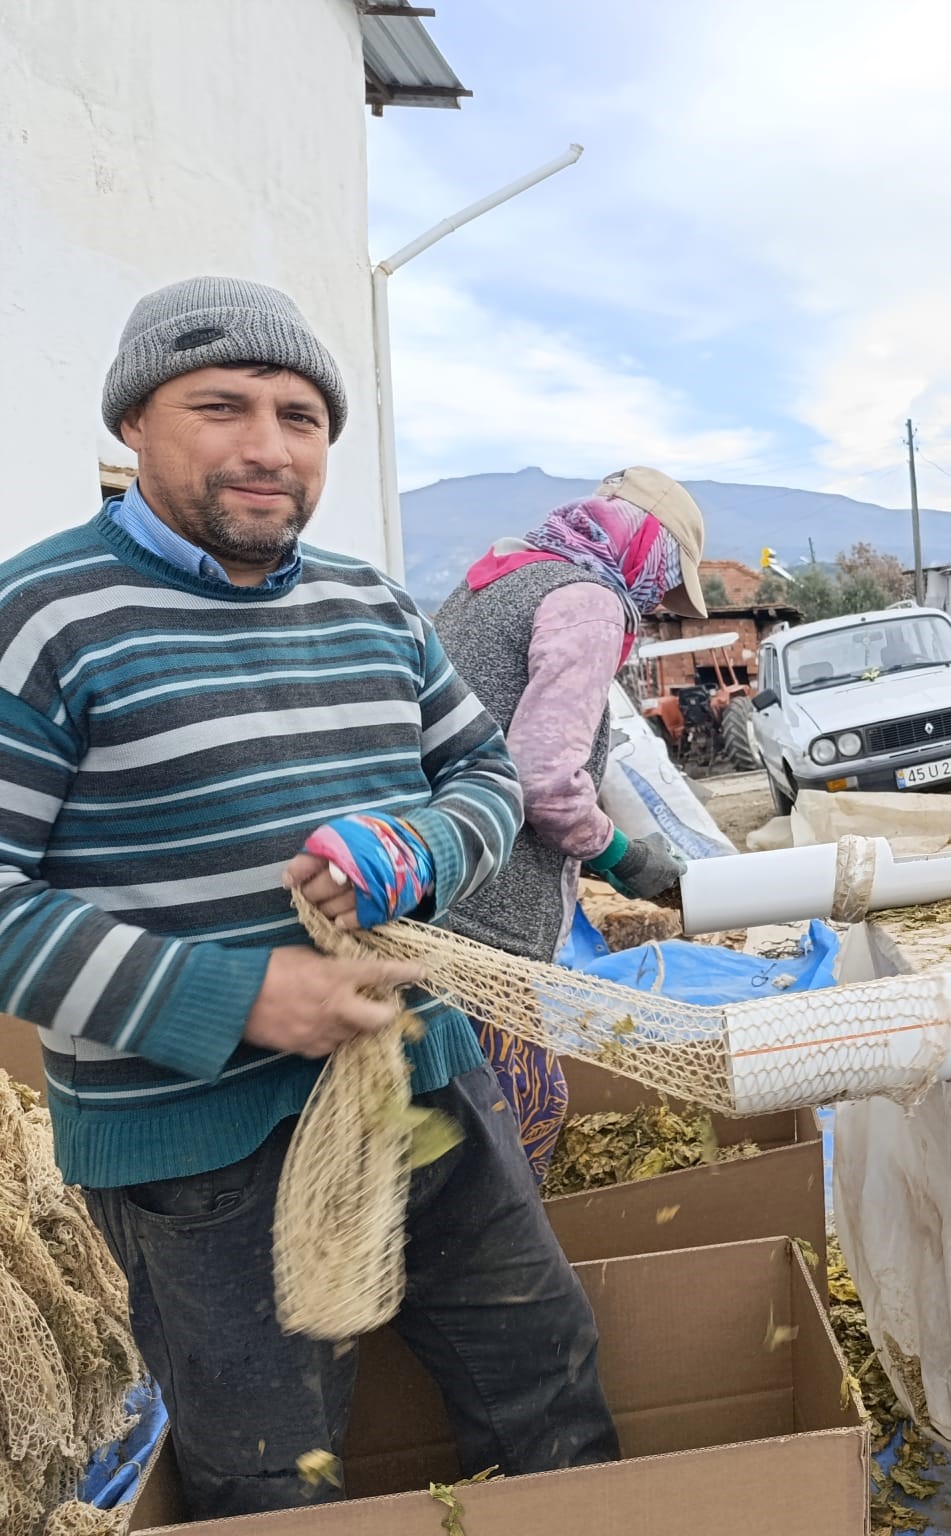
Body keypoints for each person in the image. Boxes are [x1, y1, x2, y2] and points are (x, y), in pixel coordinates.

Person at [0, 277, 618, 1518]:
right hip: (197, 1156)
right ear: (133, 422)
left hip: (428, 1084)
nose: (267, 448)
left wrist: (414, 851)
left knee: (549, 1391)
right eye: (220, 407)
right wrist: (231, 996)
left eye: (301, 417)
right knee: (274, 1480)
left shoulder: (373, 604)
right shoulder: (44, 618)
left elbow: (488, 777)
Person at [432, 470, 706, 1177]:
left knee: (448, 1117)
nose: (655, 600)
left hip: (431, 886)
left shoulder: (497, 576)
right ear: (647, 553)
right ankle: (494, 1246)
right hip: (490, 916)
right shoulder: (588, 603)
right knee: (523, 1109)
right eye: (663, 582)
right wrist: (622, 857)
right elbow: (545, 783)